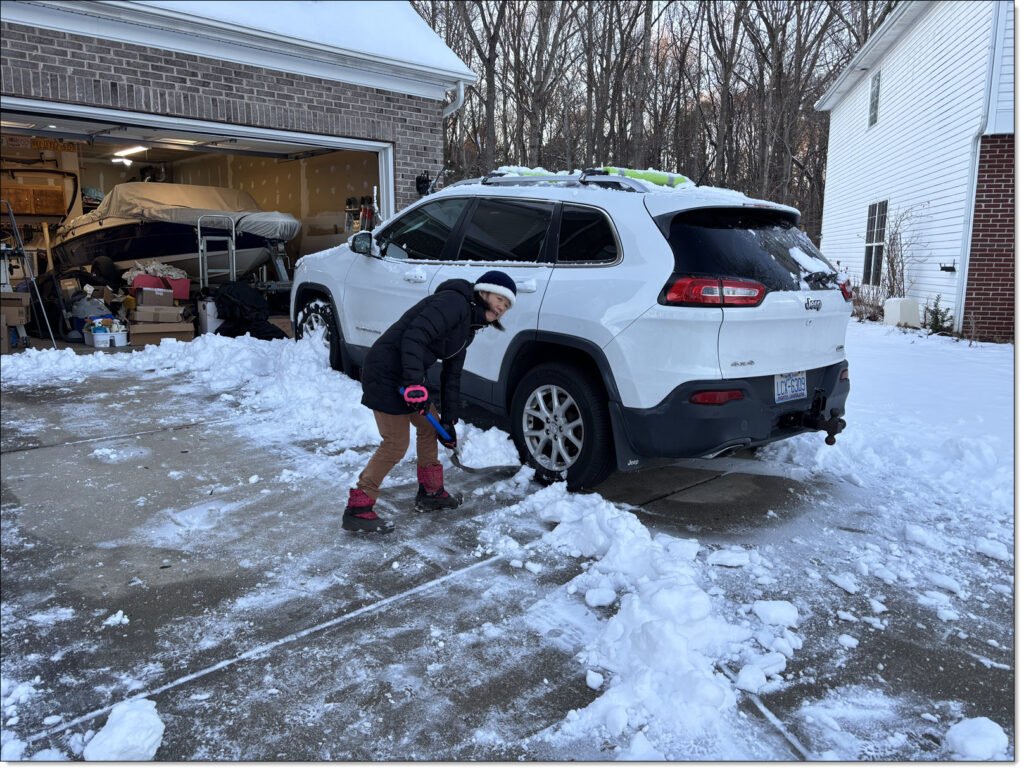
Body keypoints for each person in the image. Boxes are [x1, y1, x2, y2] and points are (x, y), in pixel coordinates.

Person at [343, 270, 518, 533]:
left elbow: (452, 376)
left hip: (406, 376)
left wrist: (448, 422)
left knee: (429, 426)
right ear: (483, 292)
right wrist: (415, 382)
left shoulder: (468, 328)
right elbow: (415, 335)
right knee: (395, 443)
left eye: (506, 306)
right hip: (386, 373)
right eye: (499, 299)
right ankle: (358, 507)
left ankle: (431, 492)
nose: (501, 308)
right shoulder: (454, 303)